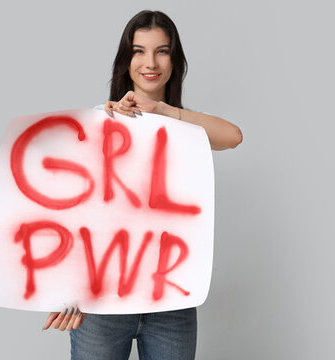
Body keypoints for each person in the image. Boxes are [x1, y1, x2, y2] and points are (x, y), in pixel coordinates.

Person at [41, 10, 242, 359]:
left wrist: (163, 111)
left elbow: (233, 136)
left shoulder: (185, 127)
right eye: (139, 51)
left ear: (174, 61)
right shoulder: (98, 120)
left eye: (162, 51)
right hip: (102, 303)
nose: (150, 62)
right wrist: (67, 290)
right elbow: (77, 213)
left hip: (170, 303)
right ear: (126, 60)